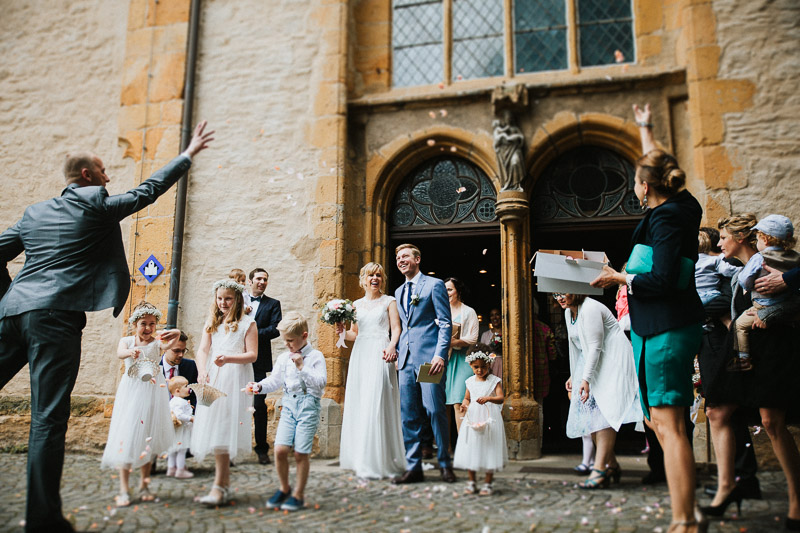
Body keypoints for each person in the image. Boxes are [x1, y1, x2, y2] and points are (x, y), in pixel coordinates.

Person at [0, 120, 213, 532]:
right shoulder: (94, 204)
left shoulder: (33, 213)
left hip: (11, 315)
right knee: (47, 418)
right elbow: (146, 192)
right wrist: (187, 155)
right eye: (103, 171)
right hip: (55, 320)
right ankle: (43, 521)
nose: (108, 177)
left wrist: (10, 298)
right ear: (87, 176)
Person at [591, 104, 705, 531]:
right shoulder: (683, 206)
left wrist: (618, 276)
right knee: (660, 422)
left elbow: (660, 280)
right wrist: (645, 129)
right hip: (654, 327)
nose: (635, 188)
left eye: (637, 182)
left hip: (665, 327)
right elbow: (657, 166)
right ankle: (687, 509)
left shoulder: (665, 220)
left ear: (644, 187)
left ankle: (684, 522)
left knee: (669, 424)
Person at [698, 214, 800, 530]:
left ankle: (797, 498)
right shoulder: (738, 272)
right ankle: (728, 486)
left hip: (774, 346)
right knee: (716, 410)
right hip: (741, 348)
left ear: (742, 238)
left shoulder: (778, 265)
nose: (719, 243)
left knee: (771, 421)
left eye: (724, 237)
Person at [554, 293, 642, 488]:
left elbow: (594, 346)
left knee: (602, 417)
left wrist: (585, 378)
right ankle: (612, 465)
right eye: (555, 293)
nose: (559, 297)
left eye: (563, 292)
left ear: (575, 289)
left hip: (612, 361)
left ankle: (599, 468)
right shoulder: (569, 313)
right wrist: (573, 375)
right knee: (590, 422)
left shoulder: (591, 307)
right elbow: (575, 347)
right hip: (592, 363)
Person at [100, 302, 181, 506]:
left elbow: (175, 339)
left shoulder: (157, 343)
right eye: (143, 324)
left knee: (148, 439)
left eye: (152, 324)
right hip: (132, 393)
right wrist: (130, 353)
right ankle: (124, 489)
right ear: (135, 324)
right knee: (127, 437)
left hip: (153, 393)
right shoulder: (126, 341)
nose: (148, 328)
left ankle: (144, 486)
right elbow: (120, 353)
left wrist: (173, 331)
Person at [249, 311, 327, 512]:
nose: (287, 344)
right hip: (288, 405)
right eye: (285, 340)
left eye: (290, 340)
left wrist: (302, 367)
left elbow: (321, 384)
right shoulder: (284, 358)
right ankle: (284, 488)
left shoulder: (315, 356)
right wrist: (258, 386)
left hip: (308, 405)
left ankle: (298, 494)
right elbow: (274, 380)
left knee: (301, 453)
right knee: (280, 449)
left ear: (304, 336)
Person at [191, 278, 257, 507]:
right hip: (214, 377)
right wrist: (201, 370)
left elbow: (252, 355)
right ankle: (223, 484)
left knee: (224, 428)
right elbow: (202, 350)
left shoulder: (248, 323)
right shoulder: (212, 322)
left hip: (235, 378)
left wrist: (228, 358)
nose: (223, 302)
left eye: (228, 298)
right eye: (219, 298)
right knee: (217, 428)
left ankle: (218, 486)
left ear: (237, 299)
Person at [337, 262, 406, 479]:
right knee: (361, 401)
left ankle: (381, 459)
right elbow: (354, 334)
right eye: (370, 275)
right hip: (361, 353)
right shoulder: (355, 304)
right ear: (363, 279)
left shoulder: (389, 301)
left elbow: (396, 328)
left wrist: (392, 346)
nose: (374, 278)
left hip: (381, 351)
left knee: (378, 399)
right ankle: (361, 458)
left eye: (378, 275)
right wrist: (340, 329)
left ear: (382, 279)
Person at [393, 243, 455, 484]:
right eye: (398, 258)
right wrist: (396, 351)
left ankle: (444, 463)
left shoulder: (434, 285)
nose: (401, 260)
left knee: (434, 409)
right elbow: (403, 327)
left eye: (405, 256)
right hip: (406, 362)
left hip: (430, 361)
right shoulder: (398, 292)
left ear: (417, 259)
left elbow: (445, 323)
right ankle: (414, 466)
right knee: (408, 414)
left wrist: (440, 355)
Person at [730, 214, 800, 371]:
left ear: (766, 239)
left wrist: (747, 284)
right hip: (788, 307)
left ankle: (743, 359)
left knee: (739, 325)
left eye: (758, 238)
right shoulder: (796, 256)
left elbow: (745, 280)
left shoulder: (759, 258)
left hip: (762, 306)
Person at [453, 346, 507, 496]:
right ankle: (471, 482)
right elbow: (467, 398)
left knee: (490, 448)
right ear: (470, 365)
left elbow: (501, 398)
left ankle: (488, 483)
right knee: (472, 447)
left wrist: (489, 398)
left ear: (489, 364)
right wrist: (464, 405)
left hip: (490, 418)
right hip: (473, 417)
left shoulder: (494, 381)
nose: (480, 370)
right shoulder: (470, 381)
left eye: (483, 367)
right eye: (476, 367)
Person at [247, 267, 282, 465]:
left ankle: (261, 449)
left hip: (259, 360)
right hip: (237, 359)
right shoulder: (239, 301)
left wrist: (252, 332)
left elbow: (276, 329)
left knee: (259, 405)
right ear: (250, 281)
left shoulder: (273, 304)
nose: (262, 282)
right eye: (258, 278)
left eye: (265, 279)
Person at [444, 277, 479, 434]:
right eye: (444, 290)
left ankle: (463, 447)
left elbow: (473, 338)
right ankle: (446, 448)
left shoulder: (469, 311)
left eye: (450, 289)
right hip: (444, 361)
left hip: (462, 361)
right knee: (442, 404)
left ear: (458, 291)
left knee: (460, 403)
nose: (447, 293)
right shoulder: (440, 310)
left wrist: (454, 342)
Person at [167, 376, 194, 479]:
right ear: (178, 391)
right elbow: (179, 415)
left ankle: (171, 468)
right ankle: (180, 470)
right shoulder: (180, 402)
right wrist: (190, 418)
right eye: (186, 386)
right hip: (181, 430)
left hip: (174, 430)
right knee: (181, 450)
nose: (189, 388)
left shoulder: (172, 401)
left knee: (173, 450)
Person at [160, 332, 198, 406]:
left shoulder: (190, 366)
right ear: (165, 348)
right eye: (176, 351)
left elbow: (194, 395)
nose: (181, 355)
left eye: (183, 351)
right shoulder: (155, 367)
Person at [479, 307, 503, 377]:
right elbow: (482, 353)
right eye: (492, 315)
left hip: (504, 364)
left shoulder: (507, 333)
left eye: (497, 314)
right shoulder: (485, 334)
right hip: (490, 366)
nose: (495, 317)